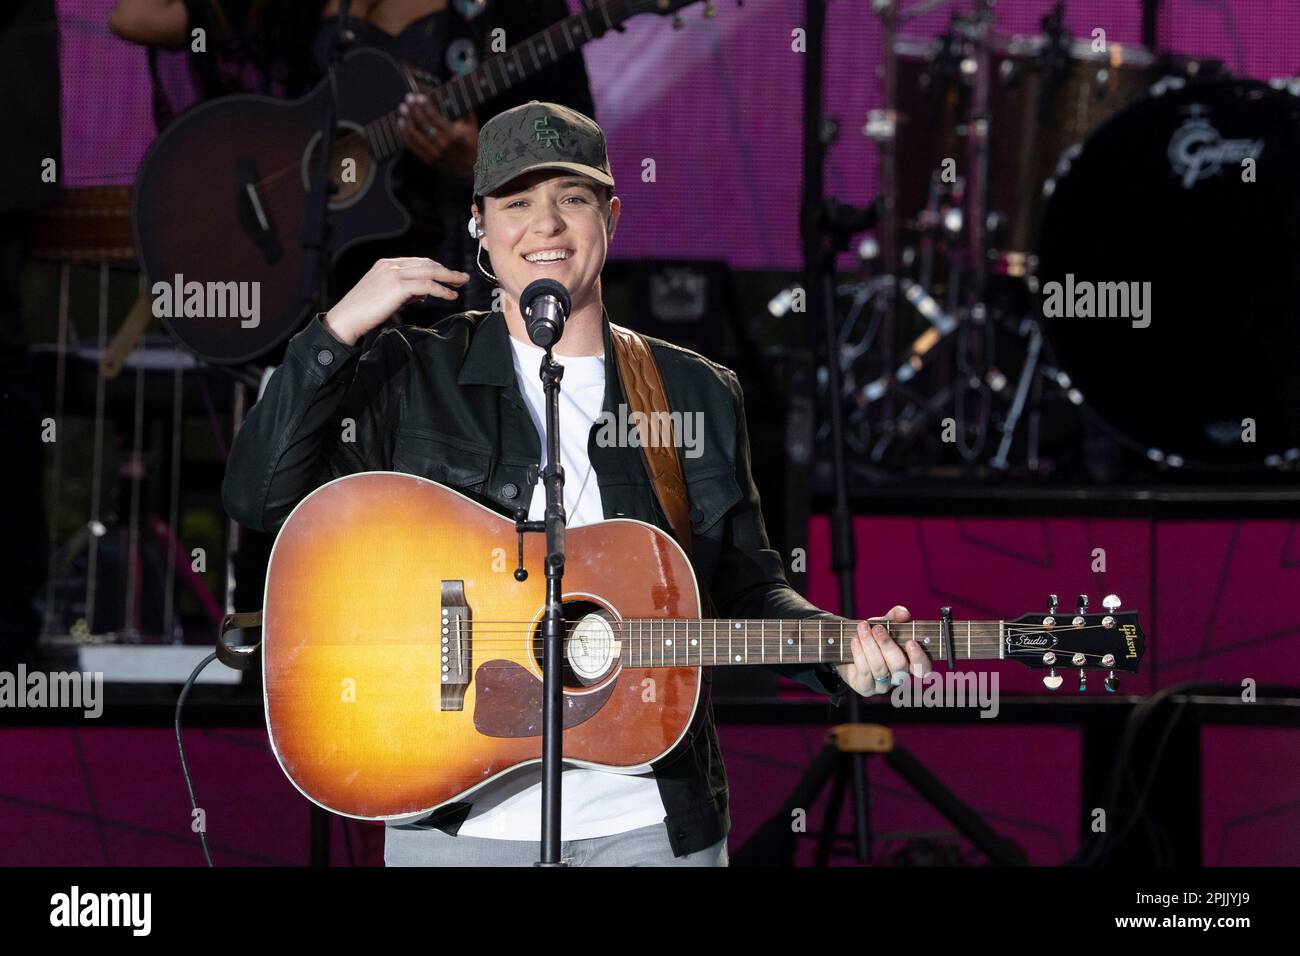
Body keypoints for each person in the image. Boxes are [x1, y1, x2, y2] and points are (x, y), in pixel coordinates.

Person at [221, 101, 933, 866]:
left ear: (611, 215)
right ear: (480, 227)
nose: (545, 226)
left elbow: (744, 587)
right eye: (517, 202)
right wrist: (333, 335)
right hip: (455, 816)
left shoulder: (691, 391)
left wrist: (839, 649)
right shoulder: (410, 371)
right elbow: (259, 496)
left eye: (572, 197)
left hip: (648, 822)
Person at [108, 0, 596, 325]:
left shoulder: (517, 10)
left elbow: (575, 169)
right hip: (311, 285)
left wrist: (477, 164)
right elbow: (135, 16)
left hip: (456, 288)